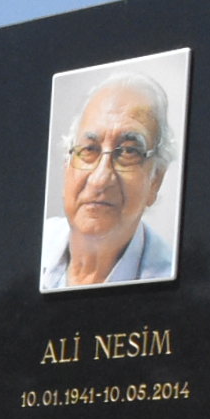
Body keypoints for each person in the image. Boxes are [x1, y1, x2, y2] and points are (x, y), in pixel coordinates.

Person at [41, 71, 180, 290]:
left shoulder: (173, 283)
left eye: (128, 152)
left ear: (156, 180)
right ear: (67, 166)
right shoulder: (31, 246)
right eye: (89, 149)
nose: (100, 179)